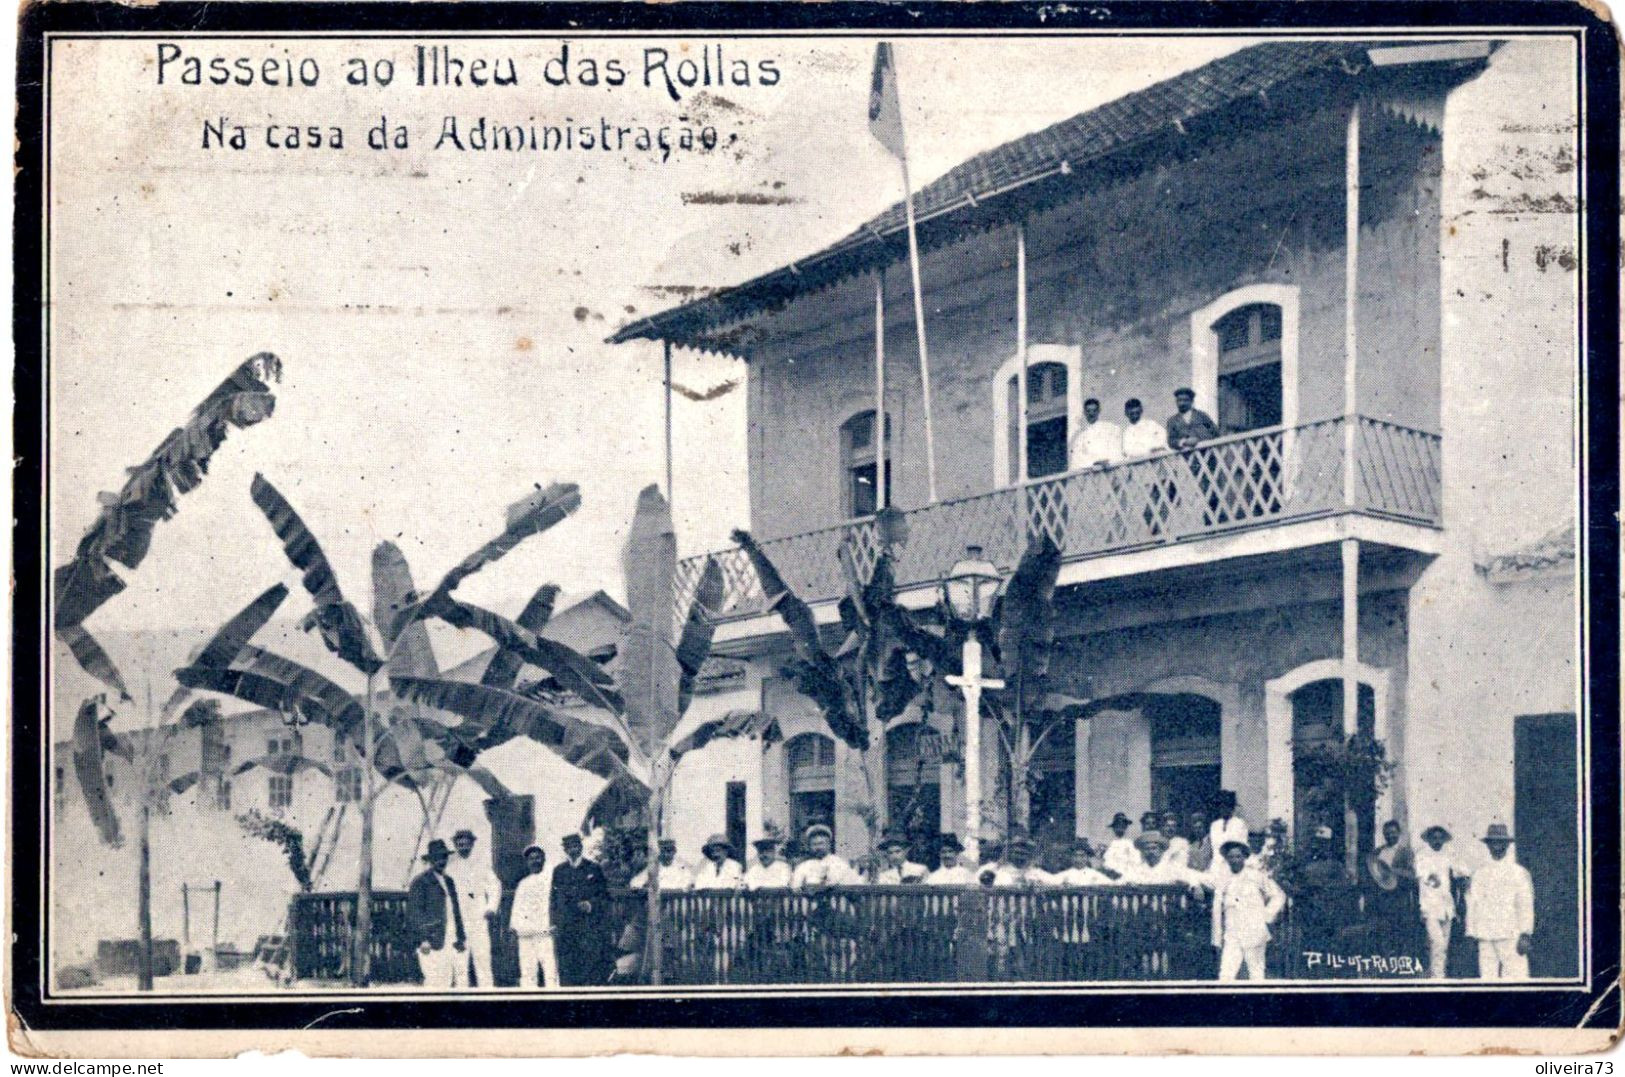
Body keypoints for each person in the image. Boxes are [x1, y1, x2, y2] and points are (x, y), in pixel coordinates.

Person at [1464, 822, 1534, 980]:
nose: (1497, 846)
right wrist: (1470, 932)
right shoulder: (1479, 874)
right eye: (1493, 842)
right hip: (1485, 936)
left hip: (1510, 935)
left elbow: (1525, 905)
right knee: (1488, 980)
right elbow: (1472, 904)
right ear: (1488, 845)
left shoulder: (1518, 873)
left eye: (1500, 842)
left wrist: (1525, 934)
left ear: (1507, 845)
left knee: (1517, 979)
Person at [1212, 839, 1285, 981]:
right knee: (1226, 975)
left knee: (1256, 974)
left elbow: (1278, 895)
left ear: (1245, 857)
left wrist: (1266, 916)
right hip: (1232, 934)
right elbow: (1217, 910)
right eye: (1231, 857)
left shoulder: (1256, 876)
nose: (1234, 860)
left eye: (1238, 856)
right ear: (1226, 859)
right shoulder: (1222, 880)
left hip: (1254, 932)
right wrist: (1217, 938)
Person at [550, 832, 611, 986]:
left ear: (581, 847)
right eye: (569, 847)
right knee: (568, 967)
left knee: (589, 965)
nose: (573, 850)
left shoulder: (593, 869)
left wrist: (590, 904)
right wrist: (555, 922)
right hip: (567, 927)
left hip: (588, 926)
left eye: (576, 846)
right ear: (565, 850)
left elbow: (604, 896)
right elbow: (554, 900)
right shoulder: (559, 871)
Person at [445, 828, 502, 989]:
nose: (463, 846)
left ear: (472, 844)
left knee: (482, 959)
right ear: (455, 845)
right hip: (457, 920)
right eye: (460, 843)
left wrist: (491, 907)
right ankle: (461, 999)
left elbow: (495, 885)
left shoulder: (482, 863)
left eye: (466, 843)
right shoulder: (449, 865)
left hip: (478, 918)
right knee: (460, 963)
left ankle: (487, 997)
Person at [406, 839, 466, 989]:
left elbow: (455, 910)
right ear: (431, 860)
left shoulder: (449, 881)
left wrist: (460, 936)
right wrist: (423, 939)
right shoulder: (420, 882)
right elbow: (415, 913)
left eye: (444, 857)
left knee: (447, 979)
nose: (442, 861)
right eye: (437, 857)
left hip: (449, 937)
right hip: (431, 939)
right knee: (433, 981)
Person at [509, 845, 558, 989]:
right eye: (531, 858)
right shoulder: (523, 883)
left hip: (545, 932)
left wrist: (555, 923)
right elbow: (516, 907)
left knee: (550, 972)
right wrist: (513, 927)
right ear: (527, 862)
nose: (535, 861)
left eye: (538, 857)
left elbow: (557, 903)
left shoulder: (551, 879)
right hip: (525, 933)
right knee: (528, 973)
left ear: (543, 859)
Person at [1415, 825, 1459, 978]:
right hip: (1430, 907)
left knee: (1443, 946)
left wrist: (1463, 874)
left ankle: (1438, 976)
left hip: (1447, 908)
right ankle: (1437, 979)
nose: (1437, 840)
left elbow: (1460, 870)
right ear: (1429, 839)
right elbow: (1426, 878)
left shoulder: (1448, 855)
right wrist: (1434, 879)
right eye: (1434, 837)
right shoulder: (1422, 856)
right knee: (1437, 943)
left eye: (1440, 837)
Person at [1366, 819, 1417, 951]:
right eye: (1387, 833)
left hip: (1398, 898)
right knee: (1381, 930)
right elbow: (1372, 870)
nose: (1390, 836)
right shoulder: (1377, 852)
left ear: (1399, 833)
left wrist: (1392, 871)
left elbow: (1412, 874)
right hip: (1380, 898)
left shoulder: (1406, 852)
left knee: (1398, 931)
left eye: (1393, 833)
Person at [790, 824, 861, 890]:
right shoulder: (803, 866)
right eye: (814, 844)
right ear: (809, 846)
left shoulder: (839, 863)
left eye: (821, 843)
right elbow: (795, 885)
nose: (818, 847)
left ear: (829, 844)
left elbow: (852, 884)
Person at [1068, 397, 1122, 470]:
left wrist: (1108, 461)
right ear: (1084, 412)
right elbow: (1076, 460)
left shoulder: (1110, 429)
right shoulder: (1081, 437)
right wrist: (1093, 462)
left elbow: (1116, 450)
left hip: (1109, 470)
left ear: (1099, 411)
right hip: (1091, 474)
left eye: (1094, 410)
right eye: (1088, 411)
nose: (1091, 414)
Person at [991, 831, 1056, 888]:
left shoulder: (1036, 873)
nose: (1020, 857)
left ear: (1029, 855)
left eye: (1024, 853)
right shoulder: (1000, 872)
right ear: (1010, 853)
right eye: (1017, 852)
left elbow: (1054, 882)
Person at [1207, 791, 1248, 875]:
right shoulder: (1214, 825)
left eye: (1227, 806)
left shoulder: (1239, 824)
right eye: (1221, 806)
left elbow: (1241, 847)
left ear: (1232, 808)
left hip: (1232, 866)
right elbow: (1213, 849)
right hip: (1215, 867)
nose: (1224, 809)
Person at [1102, 812, 1143, 878]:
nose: (1120, 828)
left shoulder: (1130, 844)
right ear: (1113, 828)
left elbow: (1136, 861)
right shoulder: (1111, 844)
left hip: (1127, 876)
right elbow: (1106, 862)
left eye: (1122, 825)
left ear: (1126, 827)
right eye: (1117, 826)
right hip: (1112, 876)